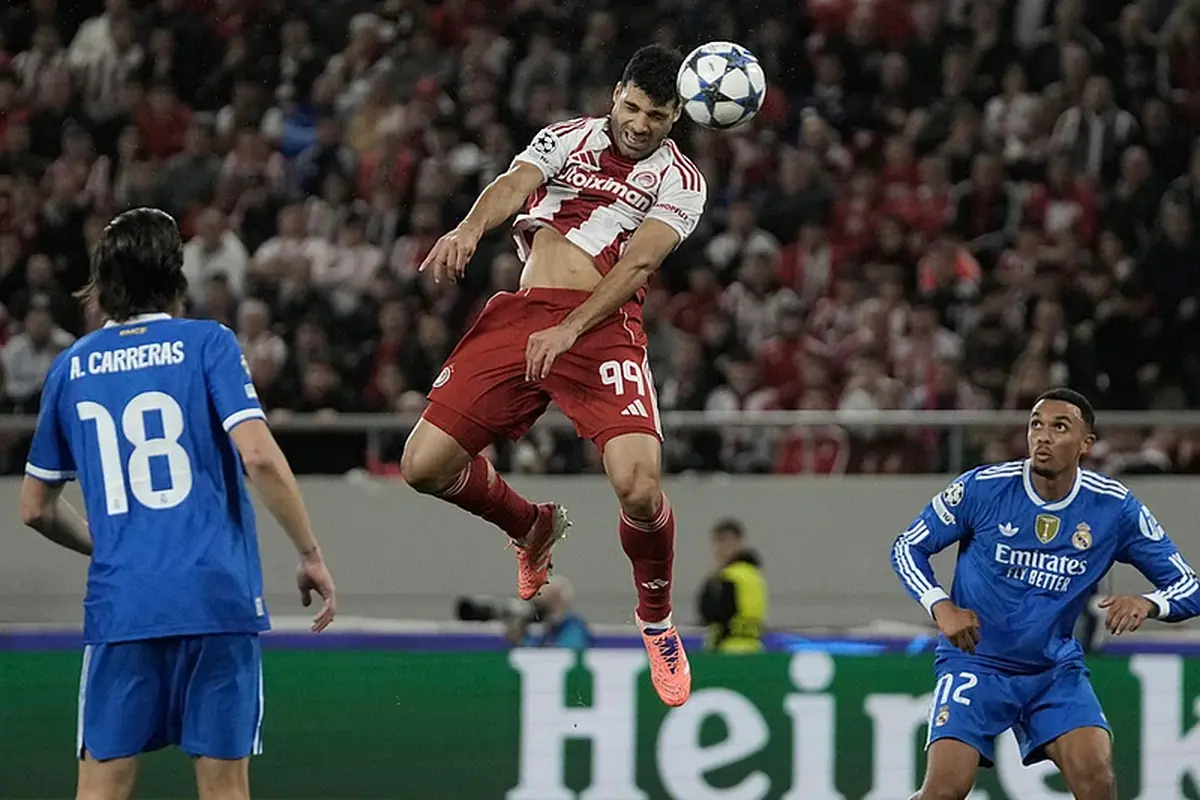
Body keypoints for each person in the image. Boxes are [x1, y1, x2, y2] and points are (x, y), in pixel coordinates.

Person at [400, 44, 706, 708]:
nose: (640, 123)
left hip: (602, 328)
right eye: (631, 106)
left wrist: (571, 329)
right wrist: (469, 228)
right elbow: (512, 185)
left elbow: (636, 267)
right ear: (616, 93)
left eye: (656, 115)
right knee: (422, 465)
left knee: (638, 484)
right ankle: (529, 525)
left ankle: (655, 620)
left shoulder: (681, 181)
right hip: (523, 316)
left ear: (676, 115)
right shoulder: (567, 137)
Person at [19, 208, 337, 800]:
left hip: (124, 605)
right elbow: (260, 457)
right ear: (175, 273)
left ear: (103, 280)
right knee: (223, 790)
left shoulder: (72, 367)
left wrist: (107, 544)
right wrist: (310, 552)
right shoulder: (207, 344)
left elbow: (35, 507)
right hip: (216, 599)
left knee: (101, 789)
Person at [891, 388, 1200, 800]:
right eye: (1036, 424)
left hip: (1051, 671)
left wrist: (1148, 602)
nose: (1043, 436)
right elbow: (906, 546)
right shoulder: (984, 489)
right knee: (944, 791)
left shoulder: (1113, 508)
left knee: (1098, 780)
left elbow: (1190, 587)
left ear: (1086, 443)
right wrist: (940, 605)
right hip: (976, 663)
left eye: (1059, 427)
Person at [697, 518, 768, 652]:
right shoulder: (755, 574)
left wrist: (712, 579)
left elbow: (710, 613)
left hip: (728, 648)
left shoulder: (729, 577)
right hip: (754, 646)